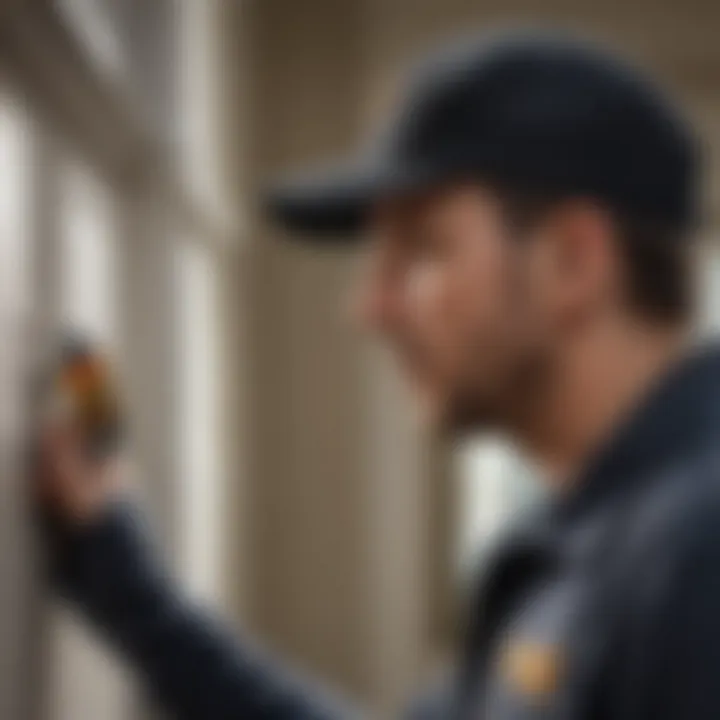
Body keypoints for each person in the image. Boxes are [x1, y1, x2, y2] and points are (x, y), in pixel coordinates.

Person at [36, 31, 720, 720]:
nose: (370, 307)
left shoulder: (696, 557)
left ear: (573, 261)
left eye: (423, 249)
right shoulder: (575, 536)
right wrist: (119, 574)